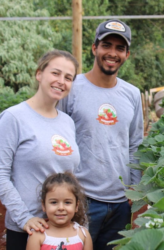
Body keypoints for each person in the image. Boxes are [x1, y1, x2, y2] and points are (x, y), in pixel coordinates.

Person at [58, 19, 144, 249]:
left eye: (120, 48)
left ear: (127, 54)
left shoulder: (132, 94)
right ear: (94, 48)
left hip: (120, 203)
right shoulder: (71, 88)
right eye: (106, 45)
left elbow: (135, 144)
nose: (112, 53)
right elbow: (57, 139)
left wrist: (133, 190)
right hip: (81, 199)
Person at [0, 50, 81, 250]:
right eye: (55, 73)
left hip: (62, 229)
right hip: (27, 231)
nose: (61, 81)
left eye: (68, 77)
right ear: (39, 74)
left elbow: (72, 177)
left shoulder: (67, 122)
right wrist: (24, 218)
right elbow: (1, 174)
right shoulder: (14, 118)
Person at [26, 172, 92, 250]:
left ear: (76, 206)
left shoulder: (83, 235)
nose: (61, 208)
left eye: (67, 202)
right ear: (43, 205)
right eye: (54, 202)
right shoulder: (37, 235)